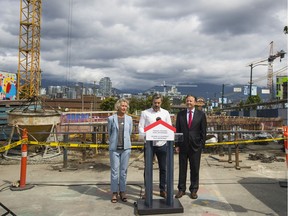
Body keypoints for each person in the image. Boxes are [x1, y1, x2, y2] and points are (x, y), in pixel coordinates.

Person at [138, 93, 172, 199]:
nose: (156, 104)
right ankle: (147, 191)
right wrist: (147, 136)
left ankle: (163, 189)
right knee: (148, 168)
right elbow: (141, 128)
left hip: (162, 144)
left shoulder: (166, 113)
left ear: (161, 102)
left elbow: (169, 127)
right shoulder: (145, 113)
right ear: (152, 102)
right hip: (149, 144)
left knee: (163, 168)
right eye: (155, 103)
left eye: (158, 103)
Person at [175, 95, 207, 199]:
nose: (189, 102)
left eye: (191, 101)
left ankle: (193, 190)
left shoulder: (201, 115)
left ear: (195, 102)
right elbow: (178, 131)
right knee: (182, 169)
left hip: (195, 146)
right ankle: (181, 189)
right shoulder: (180, 115)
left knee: (195, 169)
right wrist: (177, 145)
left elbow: (203, 131)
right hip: (183, 146)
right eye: (187, 101)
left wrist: (201, 145)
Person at [107, 98, 133, 203]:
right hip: (114, 149)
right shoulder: (111, 119)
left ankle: (122, 191)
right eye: (122, 106)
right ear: (118, 106)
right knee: (114, 171)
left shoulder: (129, 119)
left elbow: (129, 132)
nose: (124, 108)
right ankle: (114, 192)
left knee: (123, 172)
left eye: (126, 106)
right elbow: (110, 132)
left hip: (126, 148)